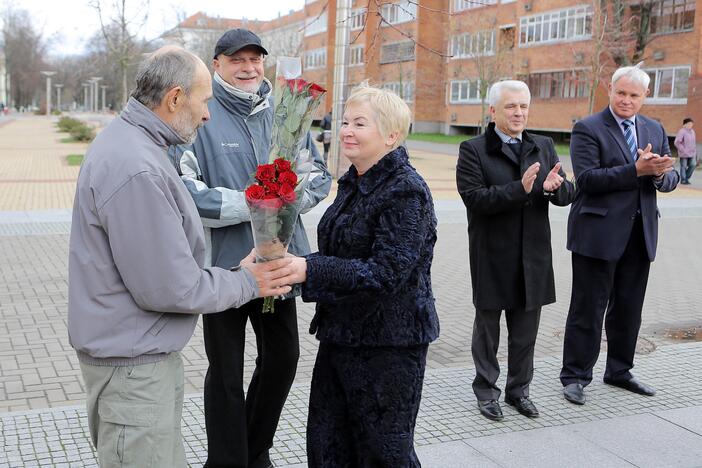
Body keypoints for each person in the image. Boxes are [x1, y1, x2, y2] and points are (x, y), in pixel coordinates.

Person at [67, 47, 297, 468]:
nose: (208, 115)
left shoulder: (135, 145)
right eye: (204, 101)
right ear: (174, 98)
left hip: (138, 359)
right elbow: (169, 287)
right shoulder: (136, 166)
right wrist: (249, 281)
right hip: (133, 372)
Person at [171, 29, 332, 468]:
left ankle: (253, 450)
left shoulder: (286, 112)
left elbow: (318, 174)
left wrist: (285, 200)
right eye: (237, 59)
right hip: (223, 270)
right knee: (226, 373)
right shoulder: (199, 115)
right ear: (218, 63)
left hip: (277, 264)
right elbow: (185, 192)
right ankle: (226, 461)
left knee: (283, 359)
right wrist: (254, 201)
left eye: (255, 59)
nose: (248, 68)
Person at [285, 85, 439, 467]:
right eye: (344, 122)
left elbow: (386, 273)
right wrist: (290, 262)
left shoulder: (406, 191)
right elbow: (343, 254)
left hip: (389, 345)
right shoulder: (355, 180)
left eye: (359, 123)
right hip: (342, 336)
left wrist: (309, 267)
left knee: (382, 453)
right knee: (328, 444)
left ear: (391, 135)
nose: (346, 131)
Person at [456, 80, 576, 421]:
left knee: (525, 333)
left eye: (523, 106)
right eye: (511, 106)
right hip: (492, 254)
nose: (519, 112)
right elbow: (475, 198)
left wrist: (556, 189)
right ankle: (486, 392)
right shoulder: (472, 149)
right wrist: (519, 188)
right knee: (488, 332)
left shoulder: (543, 145)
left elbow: (567, 193)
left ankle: (518, 392)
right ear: (493, 111)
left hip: (533, 256)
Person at [560, 65, 679, 405]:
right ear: (610, 90)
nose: (626, 100)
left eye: (634, 95)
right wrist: (636, 169)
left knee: (628, 308)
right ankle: (575, 376)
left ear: (644, 97)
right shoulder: (587, 127)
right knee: (588, 308)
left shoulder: (654, 128)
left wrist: (657, 176)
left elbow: (668, 179)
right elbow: (588, 179)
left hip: (639, 234)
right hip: (597, 234)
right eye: (621, 93)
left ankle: (619, 371)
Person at [674, 117, 696, 185]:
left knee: (693, 165)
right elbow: (677, 142)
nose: (691, 125)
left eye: (691, 124)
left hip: (692, 153)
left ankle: (686, 177)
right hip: (684, 153)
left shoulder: (692, 131)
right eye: (689, 124)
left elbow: (693, 142)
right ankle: (683, 180)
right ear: (685, 124)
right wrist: (683, 150)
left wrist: (695, 151)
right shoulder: (682, 131)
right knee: (683, 167)